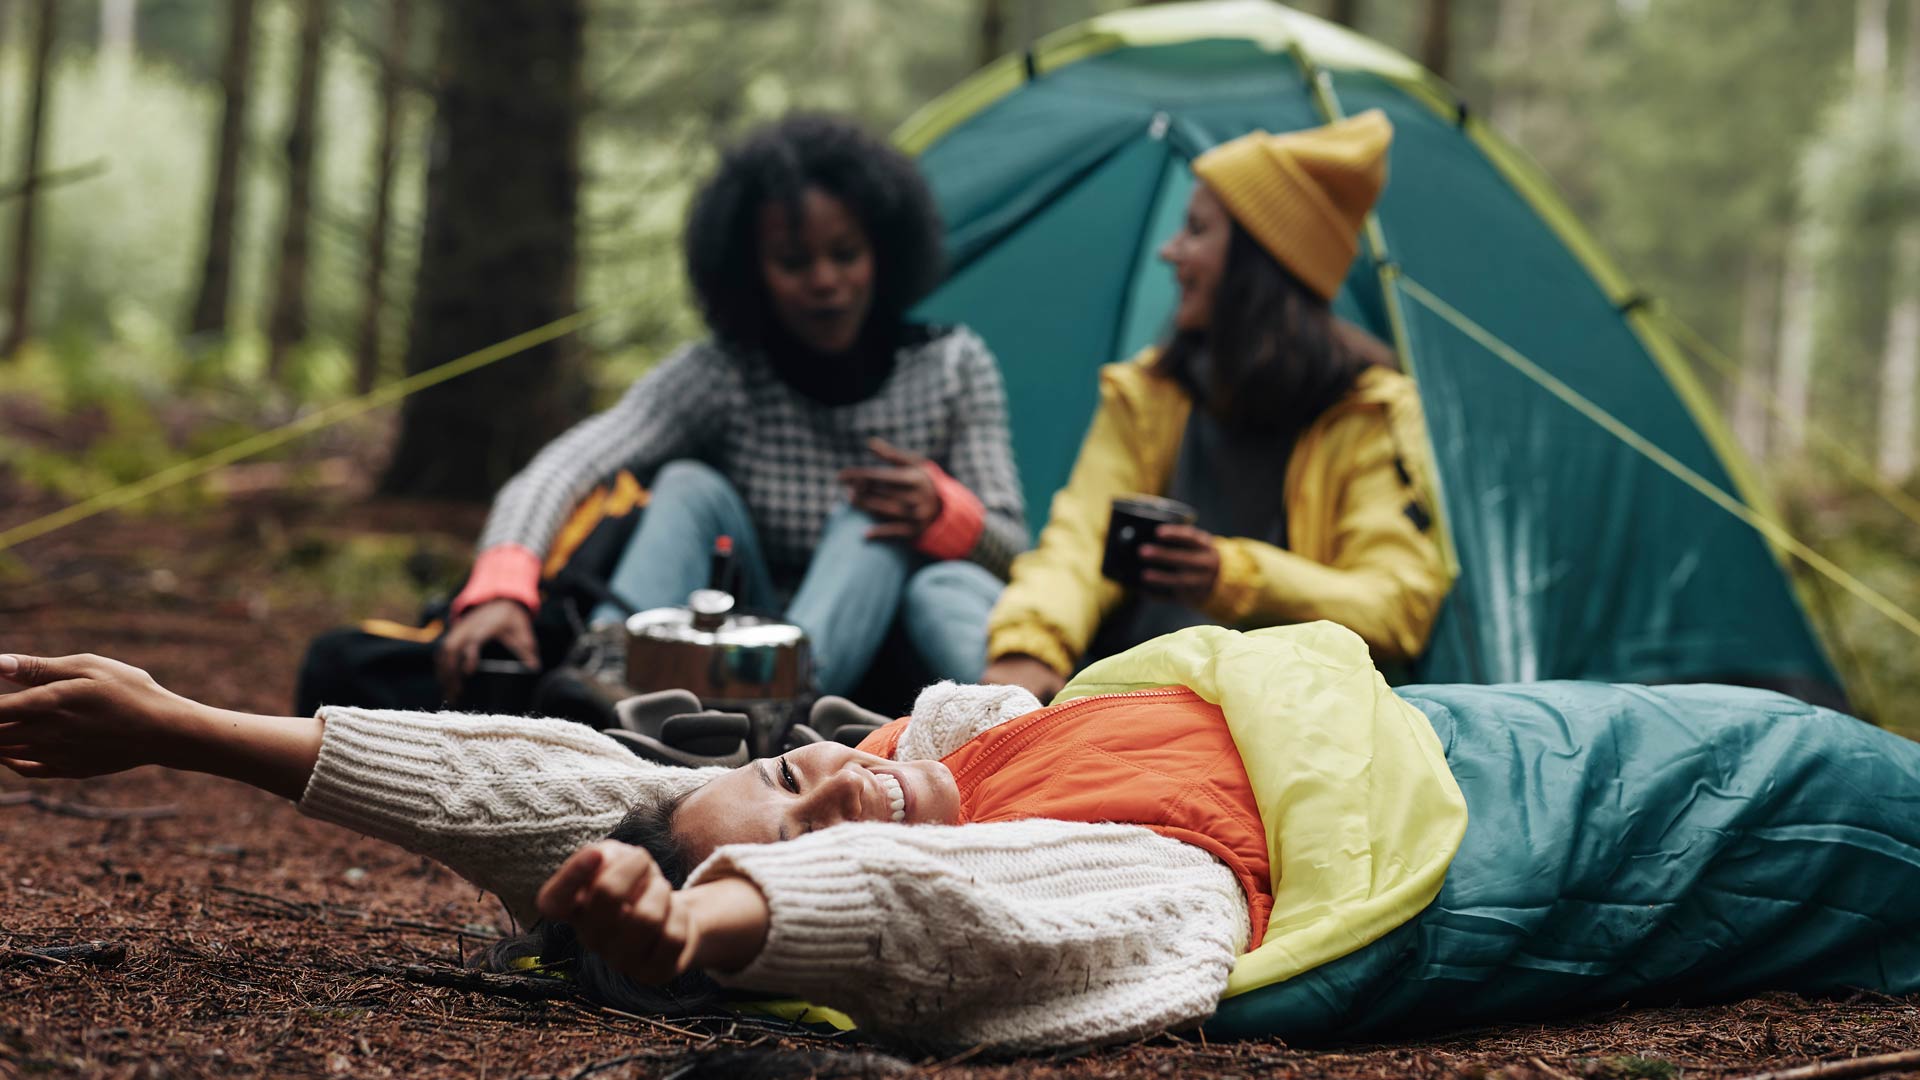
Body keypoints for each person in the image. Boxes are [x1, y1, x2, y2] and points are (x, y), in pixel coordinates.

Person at [5, 630, 1918, 1053]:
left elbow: (564, 770)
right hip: (1593, 825)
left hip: (1542, 730)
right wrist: (709, 930)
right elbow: (933, 927)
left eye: (807, 768)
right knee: (1862, 812)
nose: (835, 782)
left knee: (1811, 738)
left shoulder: (988, 737)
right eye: (802, 810)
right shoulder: (1129, 892)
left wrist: (190, 727)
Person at [437, 114, 1023, 706]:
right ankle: (612, 675)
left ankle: (782, 699)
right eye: (794, 262)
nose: (825, 281)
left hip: (864, 666)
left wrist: (945, 512)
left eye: (845, 254)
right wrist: (500, 587)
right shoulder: (724, 374)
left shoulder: (952, 366)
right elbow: (568, 466)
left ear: (884, 250)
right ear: (752, 272)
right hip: (729, 648)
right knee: (688, 484)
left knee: (876, 514)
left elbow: (1016, 554)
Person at [982, 111, 1451, 703]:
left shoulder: (1368, 413)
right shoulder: (1150, 391)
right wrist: (1027, 650)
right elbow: (1077, 542)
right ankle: (966, 724)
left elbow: (1397, 606)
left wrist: (1232, 578)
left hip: (1277, 713)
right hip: (1120, 687)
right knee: (951, 597)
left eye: (1197, 231)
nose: (1170, 252)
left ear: (1261, 260)